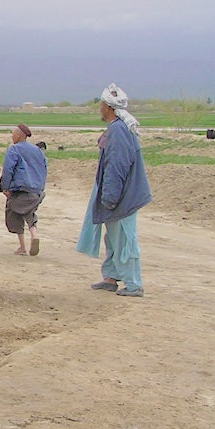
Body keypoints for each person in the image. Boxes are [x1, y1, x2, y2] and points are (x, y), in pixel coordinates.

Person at [76, 84, 152, 298]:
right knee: (113, 238)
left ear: (107, 107)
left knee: (125, 240)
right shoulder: (118, 128)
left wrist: (109, 198)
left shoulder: (118, 131)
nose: (99, 108)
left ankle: (133, 284)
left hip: (122, 197)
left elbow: (116, 167)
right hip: (119, 195)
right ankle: (111, 277)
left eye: (101, 105)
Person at [0, 122, 47, 255]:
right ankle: (34, 235)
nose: (12, 137)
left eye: (13, 134)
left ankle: (22, 246)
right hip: (36, 191)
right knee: (29, 213)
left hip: (20, 189)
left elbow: (8, 169)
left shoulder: (14, 149)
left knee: (14, 214)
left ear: (19, 136)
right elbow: (44, 169)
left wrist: (5, 187)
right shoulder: (37, 150)